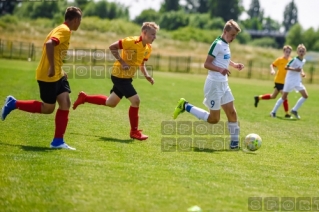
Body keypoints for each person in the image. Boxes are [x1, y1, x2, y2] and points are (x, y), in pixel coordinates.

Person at [1, 7, 82, 150]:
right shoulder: (64, 30)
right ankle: (13, 103)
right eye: (79, 20)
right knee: (48, 108)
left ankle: (57, 141)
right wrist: (52, 67)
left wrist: (60, 70)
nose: (79, 24)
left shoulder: (63, 29)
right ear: (75, 20)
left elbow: (55, 51)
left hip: (58, 75)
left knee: (65, 102)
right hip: (48, 75)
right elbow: (50, 44)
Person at [72, 22, 159, 140]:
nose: (154, 37)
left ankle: (84, 98)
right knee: (136, 101)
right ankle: (134, 132)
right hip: (119, 76)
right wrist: (122, 62)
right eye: (152, 34)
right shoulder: (131, 41)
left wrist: (147, 76)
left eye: (155, 35)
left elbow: (141, 64)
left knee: (111, 103)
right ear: (144, 33)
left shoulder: (148, 48)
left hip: (127, 77)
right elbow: (112, 47)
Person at [173, 19, 244, 149]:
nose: (233, 38)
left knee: (232, 113)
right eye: (232, 35)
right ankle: (185, 106)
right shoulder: (216, 44)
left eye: (235, 36)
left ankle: (234, 143)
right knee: (214, 119)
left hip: (224, 84)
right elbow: (206, 64)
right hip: (214, 85)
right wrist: (220, 69)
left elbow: (223, 58)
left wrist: (234, 65)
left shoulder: (225, 43)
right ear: (225, 31)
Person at [270, 44, 308, 119]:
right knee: (284, 97)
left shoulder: (303, 60)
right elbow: (286, 67)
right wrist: (295, 70)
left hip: (297, 81)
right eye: (300, 51)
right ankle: (273, 112)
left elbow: (300, 68)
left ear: (305, 52)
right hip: (289, 81)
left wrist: (302, 73)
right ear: (297, 52)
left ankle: (294, 110)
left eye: (303, 51)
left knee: (305, 96)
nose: (301, 52)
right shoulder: (294, 59)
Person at [254, 45, 292, 118]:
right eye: (286, 51)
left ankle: (258, 97)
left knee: (273, 96)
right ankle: (287, 114)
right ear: (283, 52)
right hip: (279, 81)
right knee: (285, 97)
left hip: (285, 82)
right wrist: (272, 70)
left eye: (289, 52)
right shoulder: (280, 59)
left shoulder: (291, 60)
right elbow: (272, 65)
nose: (288, 53)